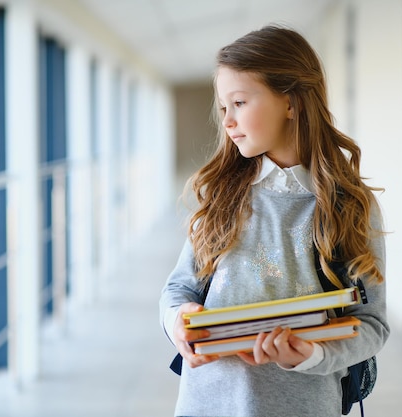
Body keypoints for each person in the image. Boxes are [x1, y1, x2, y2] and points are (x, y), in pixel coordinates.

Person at [159, 24, 390, 417]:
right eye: (223, 108)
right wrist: (178, 320)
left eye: (240, 102)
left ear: (292, 102)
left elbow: (371, 324)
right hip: (206, 405)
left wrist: (313, 353)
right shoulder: (221, 194)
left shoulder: (350, 205)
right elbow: (179, 288)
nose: (228, 121)